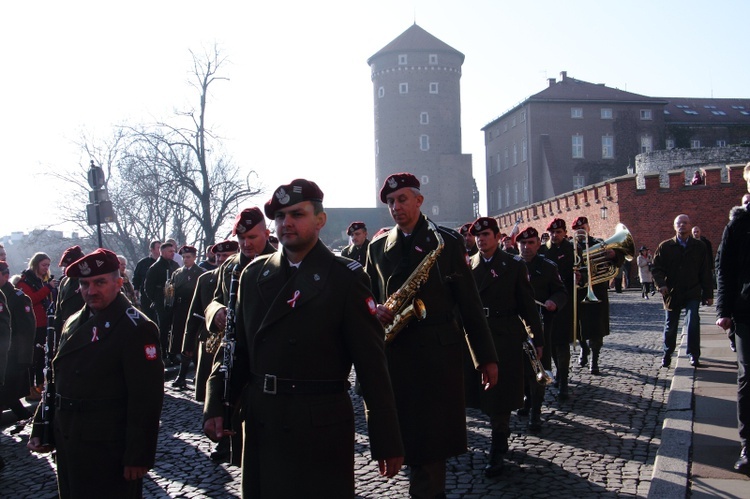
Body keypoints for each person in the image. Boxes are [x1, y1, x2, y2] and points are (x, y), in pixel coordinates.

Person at [203, 179, 404, 497]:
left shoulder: (346, 278)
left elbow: (372, 365)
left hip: (319, 425)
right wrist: (217, 403)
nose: (287, 223)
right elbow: (235, 348)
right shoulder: (253, 275)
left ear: (320, 220)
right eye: (280, 216)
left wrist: (386, 438)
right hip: (263, 422)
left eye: (297, 214)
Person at [365, 172, 498, 497]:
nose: (396, 207)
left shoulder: (447, 242)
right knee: (409, 443)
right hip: (396, 356)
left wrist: (486, 358)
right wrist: (375, 309)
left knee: (430, 451)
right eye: (391, 202)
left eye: (402, 199)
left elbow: (469, 303)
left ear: (419, 200)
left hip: (438, 358)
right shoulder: (378, 246)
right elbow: (365, 294)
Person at [27, 248, 164, 498]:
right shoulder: (74, 321)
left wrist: (138, 456)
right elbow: (57, 378)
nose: (91, 290)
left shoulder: (137, 327)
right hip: (70, 441)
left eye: (100, 282)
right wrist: (41, 426)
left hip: (108, 447)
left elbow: (146, 399)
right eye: (85, 284)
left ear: (118, 283)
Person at [468, 218, 544, 476]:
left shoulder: (512, 265)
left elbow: (527, 304)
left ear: (498, 236)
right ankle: (497, 436)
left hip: (506, 334)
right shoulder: (468, 266)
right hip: (478, 335)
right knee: (482, 394)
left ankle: (498, 445)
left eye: (486, 234)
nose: (481, 239)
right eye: (477, 236)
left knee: (499, 396)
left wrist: (538, 338)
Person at [203, 207, 277, 465]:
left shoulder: (280, 265)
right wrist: (217, 312)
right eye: (241, 238)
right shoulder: (230, 266)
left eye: (253, 237)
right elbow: (214, 300)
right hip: (233, 357)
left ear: (267, 234)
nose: (246, 244)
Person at [184, 240, 237, 463]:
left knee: (231, 393)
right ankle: (220, 440)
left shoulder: (247, 274)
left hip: (233, 347)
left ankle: (232, 439)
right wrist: (186, 344)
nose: (222, 261)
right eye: (219, 258)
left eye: (227, 257)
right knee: (213, 395)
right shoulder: (205, 279)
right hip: (210, 345)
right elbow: (195, 310)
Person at [715, 163, 750, 473]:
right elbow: (724, 268)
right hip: (747, 310)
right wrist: (724, 311)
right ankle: (748, 446)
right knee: (748, 377)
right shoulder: (738, 225)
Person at [517, 225, 567, 427]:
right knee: (521, 369)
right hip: (516, 326)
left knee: (539, 368)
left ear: (538, 244)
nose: (526, 247)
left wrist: (554, 302)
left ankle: (535, 412)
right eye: (523, 243)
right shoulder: (510, 265)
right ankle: (527, 399)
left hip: (541, 325)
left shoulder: (548, 267)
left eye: (531, 243)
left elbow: (561, 292)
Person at [651, 214, 713, 368]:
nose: (682, 225)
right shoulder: (665, 246)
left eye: (685, 223)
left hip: (692, 290)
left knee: (693, 321)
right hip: (672, 292)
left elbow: (705, 271)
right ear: (674, 226)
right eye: (679, 223)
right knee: (670, 326)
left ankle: (693, 354)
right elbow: (656, 268)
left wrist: (708, 294)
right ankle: (667, 354)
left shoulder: (699, 247)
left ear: (690, 225)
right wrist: (661, 285)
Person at [571, 216, 623, 375]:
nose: (581, 232)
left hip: (597, 292)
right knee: (578, 326)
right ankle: (583, 348)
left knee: (597, 328)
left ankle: (594, 359)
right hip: (578, 293)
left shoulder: (599, 243)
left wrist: (614, 255)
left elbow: (618, 260)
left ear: (588, 227)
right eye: (577, 229)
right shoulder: (569, 246)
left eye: (583, 227)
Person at [538, 218, 576, 399]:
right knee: (551, 343)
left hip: (566, 302)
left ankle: (564, 382)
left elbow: (583, 269)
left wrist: (581, 275)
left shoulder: (573, 249)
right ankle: (559, 374)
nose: (555, 235)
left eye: (558, 232)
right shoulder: (543, 250)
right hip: (547, 303)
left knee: (562, 343)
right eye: (552, 232)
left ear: (564, 232)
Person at [17, 252, 59, 400]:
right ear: (36, 264)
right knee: (33, 357)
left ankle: (41, 383)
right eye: (44, 265)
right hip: (33, 324)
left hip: (45, 323)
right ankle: (30, 387)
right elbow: (31, 299)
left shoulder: (44, 280)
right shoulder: (25, 282)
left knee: (43, 356)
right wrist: (47, 288)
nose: (46, 268)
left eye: (48, 265)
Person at [0, 260, 36, 423]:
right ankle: (26, 417)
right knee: (7, 394)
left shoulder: (18, 297)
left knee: (7, 391)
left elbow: (26, 330)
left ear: (5, 276)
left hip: (12, 354)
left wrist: (25, 358)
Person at [169, 245, 205, 389]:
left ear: (195, 257)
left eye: (188, 257)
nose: (185, 260)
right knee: (183, 344)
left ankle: (196, 375)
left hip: (195, 312)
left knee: (194, 343)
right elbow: (171, 293)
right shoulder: (177, 273)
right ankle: (182, 377)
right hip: (180, 312)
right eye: (183, 257)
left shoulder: (202, 273)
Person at [144, 241, 179, 362]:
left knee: (174, 327)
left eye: (174, 251)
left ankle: (173, 352)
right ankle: (163, 352)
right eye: (170, 251)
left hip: (173, 300)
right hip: (161, 301)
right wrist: (156, 300)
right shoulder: (155, 267)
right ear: (162, 252)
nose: (173, 253)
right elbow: (148, 287)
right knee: (163, 328)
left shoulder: (175, 265)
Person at [54, 246, 86, 336]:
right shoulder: (64, 282)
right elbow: (59, 311)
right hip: (66, 329)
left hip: (81, 328)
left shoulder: (87, 281)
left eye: (70, 266)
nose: (66, 269)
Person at [132, 240, 160, 322]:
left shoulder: (165, 263)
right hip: (145, 297)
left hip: (159, 296)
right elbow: (136, 277)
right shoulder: (143, 263)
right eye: (158, 248)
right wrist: (136, 289)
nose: (160, 250)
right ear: (152, 249)